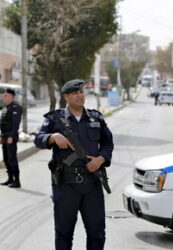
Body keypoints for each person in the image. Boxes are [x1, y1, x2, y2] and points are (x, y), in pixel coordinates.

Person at [34, 79, 114, 250]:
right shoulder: (55, 118)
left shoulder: (96, 117)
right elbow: (38, 140)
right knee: (63, 233)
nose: (80, 95)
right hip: (65, 183)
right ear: (66, 97)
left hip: (92, 182)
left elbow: (108, 144)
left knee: (97, 232)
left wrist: (100, 160)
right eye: (75, 93)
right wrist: (53, 137)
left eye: (81, 92)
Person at [0, 88, 22, 188]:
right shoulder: (5, 108)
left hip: (10, 137)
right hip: (4, 136)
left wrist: (11, 136)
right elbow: (2, 123)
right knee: (6, 159)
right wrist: (1, 136)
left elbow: (15, 124)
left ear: (12, 97)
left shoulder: (16, 108)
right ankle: (10, 179)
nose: (4, 97)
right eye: (4, 95)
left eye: (6, 95)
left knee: (12, 158)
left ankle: (17, 181)